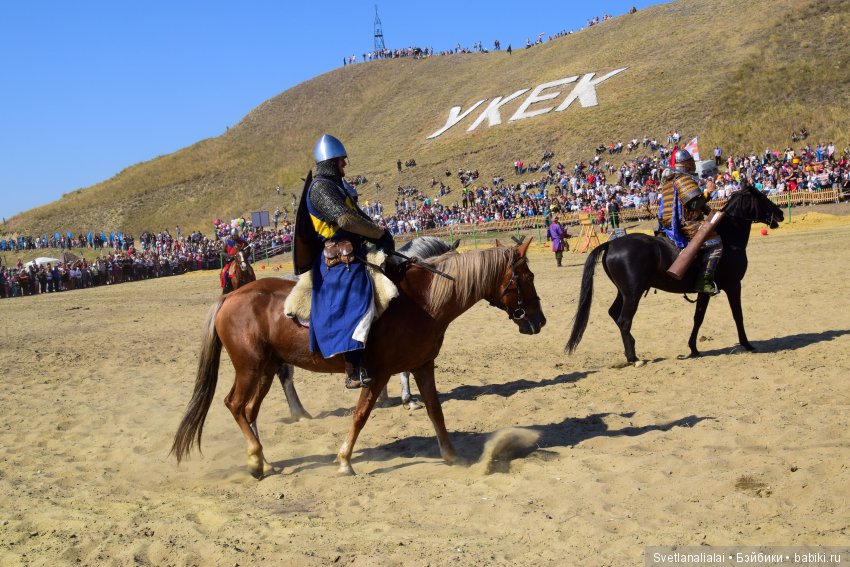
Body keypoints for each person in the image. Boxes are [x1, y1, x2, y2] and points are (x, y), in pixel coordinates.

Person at [293, 134, 395, 389]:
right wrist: (377, 234)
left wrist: (379, 233)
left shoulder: (338, 187)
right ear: (330, 162)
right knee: (357, 294)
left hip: (355, 249)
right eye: (341, 160)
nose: (345, 164)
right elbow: (346, 220)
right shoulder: (320, 188)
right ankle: (352, 368)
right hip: (337, 259)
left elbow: (357, 216)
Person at [657, 148, 722, 294]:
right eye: (691, 160)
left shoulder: (669, 181)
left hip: (669, 224)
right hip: (686, 224)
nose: (693, 162)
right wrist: (709, 192)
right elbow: (693, 205)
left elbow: (694, 203)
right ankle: (704, 281)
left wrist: (710, 211)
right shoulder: (683, 179)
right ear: (686, 163)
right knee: (715, 242)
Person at [220, 226, 248, 293]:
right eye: (234, 236)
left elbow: (248, 248)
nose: (235, 237)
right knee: (225, 272)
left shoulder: (242, 242)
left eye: (236, 235)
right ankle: (226, 286)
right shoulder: (228, 242)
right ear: (232, 236)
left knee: (250, 270)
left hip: (241, 260)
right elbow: (222, 253)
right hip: (231, 260)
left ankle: (253, 281)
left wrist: (244, 254)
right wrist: (230, 256)